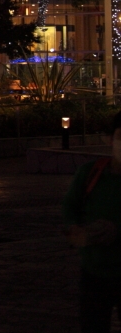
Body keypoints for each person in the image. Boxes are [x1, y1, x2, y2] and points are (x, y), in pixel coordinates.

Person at [64, 111, 121, 332]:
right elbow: (70, 206)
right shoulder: (90, 173)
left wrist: (116, 230)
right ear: (110, 139)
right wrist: (74, 228)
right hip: (94, 272)